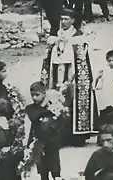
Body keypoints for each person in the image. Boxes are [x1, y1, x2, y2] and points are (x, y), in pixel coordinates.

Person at [41, 9, 97, 143]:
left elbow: (82, 59)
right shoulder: (56, 35)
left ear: (72, 21)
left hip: (72, 76)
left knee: (71, 102)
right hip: (57, 74)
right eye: (61, 19)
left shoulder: (77, 36)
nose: (63, 22)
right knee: (56, 100)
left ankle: (75, 136)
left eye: (66, 19)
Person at [25, 82, 61, 180]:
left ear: (44, 94)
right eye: (32, 95)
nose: (34, 98)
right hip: (40, 144)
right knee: (43, 173)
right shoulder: (31, 109)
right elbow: (34, 116)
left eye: (37, 95)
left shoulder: (52, 106)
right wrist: (50, 110)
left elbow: (60, 123)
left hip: (52, 144)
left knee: (56, 172)